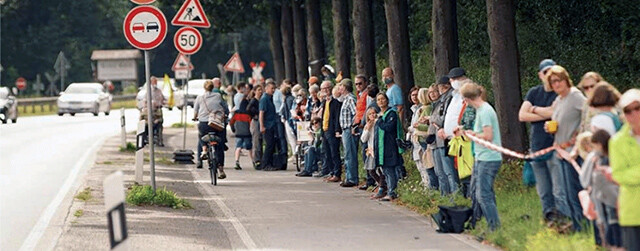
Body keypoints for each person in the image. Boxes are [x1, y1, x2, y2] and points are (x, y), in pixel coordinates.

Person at [544, 65, 586, 231]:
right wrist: (549, 127)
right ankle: (577, 226)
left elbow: (587, 115)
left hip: (574, 153)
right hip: (560, 152)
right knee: (568, 193)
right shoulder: (559, 100)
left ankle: (583, 227)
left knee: (576, 192)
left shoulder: (575, 96)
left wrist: (578, 136)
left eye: (558, 80)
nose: (556, 84)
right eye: (553, 82)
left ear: (566, 79)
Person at [518, 59, 560, 223]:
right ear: (540, 75)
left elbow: (556, 112)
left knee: (558, 187)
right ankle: (548, 218)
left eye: (551, 71)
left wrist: (534, 110)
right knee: (543, 189)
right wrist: (546, 113)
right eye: (545, 72)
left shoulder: (559, 93)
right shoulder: (534, 92)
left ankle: (561, 217)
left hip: (556, 146)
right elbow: (522, 115)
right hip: (537, 147)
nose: (548, 75)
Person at [457, 81, 502, 231]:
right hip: (481, 156)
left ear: (467, 98)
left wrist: (474, 134)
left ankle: (494, 227)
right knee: (479, 192)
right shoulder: (481, 111)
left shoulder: (485, 111)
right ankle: (489, 223)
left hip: (489, 158)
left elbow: (488, 135)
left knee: (483, 195)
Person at [610, 89, 640, 251]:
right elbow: (618, 174)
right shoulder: (617, 141)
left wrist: (633, 173)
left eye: (638, 107)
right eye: (628, 111)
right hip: (633, 212)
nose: (634, 114)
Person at [193, 80, 229, 179]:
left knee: (201, 135)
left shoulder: (200, 98)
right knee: (220, 145)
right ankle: (221, 170)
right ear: (213, 87)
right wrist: (225, 115)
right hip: (216, 123)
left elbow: (195, 111)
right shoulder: (218, 96)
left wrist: (195, 117)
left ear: (204, 88)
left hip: (204, 123)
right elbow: (225, 108)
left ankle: (204, 150)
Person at [374, 93, 403, 201]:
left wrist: (380, 121)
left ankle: (392, 192)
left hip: (389, 146)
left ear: (387, 100)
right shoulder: (379, 114)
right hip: (381, 147)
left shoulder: (392, 113)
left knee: (390, 169)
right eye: (378, 99)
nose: (381, 101)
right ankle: (389, 189)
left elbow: (389, 127)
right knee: (385, 170)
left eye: (382, 99)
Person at [431, 76, 457, 195]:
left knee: (449, 171)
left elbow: (443, 118)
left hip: (444, 139)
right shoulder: (442, 100)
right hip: (438, 140)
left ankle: (454, 196)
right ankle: (445, 195)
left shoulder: (449, 98)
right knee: (441, 171)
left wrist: (433, 120)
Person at [361, 106, 387, 199]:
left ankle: (382, 187)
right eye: (370, 114)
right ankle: (381, 184)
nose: (372, 115)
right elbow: (363, 139)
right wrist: (367, 129)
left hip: (378, 149)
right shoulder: (367, 125)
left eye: (374, 113)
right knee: (371, 170)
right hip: (371, 150)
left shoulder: (379, 123)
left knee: (380, 169)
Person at [408, 87, 431, 186]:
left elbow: (423, 125)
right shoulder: (414, 109)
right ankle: (424, 182)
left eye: (417, 95)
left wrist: (415, 127)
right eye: (413, 95)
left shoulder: (424, 108)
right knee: (419, 163)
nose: (415, 97)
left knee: (425, 163)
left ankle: (428, 184)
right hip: (416, 139)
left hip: (422, 138)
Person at [319, 81, 342, 181]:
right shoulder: (325, 102)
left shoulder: (336, 102)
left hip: (332, 130)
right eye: (323, 89)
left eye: (326, 88)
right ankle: (331, 171)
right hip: (325, 129)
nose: (324, 91)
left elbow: (337, 117)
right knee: (327, 152)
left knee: (334, 152)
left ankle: (337, 173)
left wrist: (337, 130)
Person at [338, 78, 358, 187]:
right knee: (346, 154)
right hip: (344, 130)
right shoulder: (345, 99)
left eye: (341, 86)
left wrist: (353, 126)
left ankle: (352, 178)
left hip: (349, 130)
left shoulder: (350, 99)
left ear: (345, 87)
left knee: (350, 154)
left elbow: (355, 114)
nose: (339, 88)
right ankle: (348, 176)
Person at [230, 84, 253, 171]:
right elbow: (250, 124)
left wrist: (233, 129)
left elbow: (231, 122)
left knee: (238, 147)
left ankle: (237, 161)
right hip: (247, 133)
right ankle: (253, 161)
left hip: (238, 133)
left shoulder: (236, 115)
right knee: (249, 148)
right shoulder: (247, 115)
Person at [139, 76, 166, 146]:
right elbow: (145, 101)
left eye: (156, 82)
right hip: (148, 112)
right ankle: (144, 138)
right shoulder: (148, 92)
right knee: (143, 123)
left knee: (159, 124)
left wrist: (161, 103)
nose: (155, 83)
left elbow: (163, 100)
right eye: (154, 82)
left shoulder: (159, 91)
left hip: (156, 111)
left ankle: (159, 140)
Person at [259, 81, 279, 171]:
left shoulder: (270, 98)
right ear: (266, 88)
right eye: (272, 88)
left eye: (274, 88)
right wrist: (262, 126)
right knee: (269, 145)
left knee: (271, 145)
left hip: (271, 124)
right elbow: (261, 113)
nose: (273, 90)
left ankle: (270, 163)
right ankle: (265, 164)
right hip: (267, 125)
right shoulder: (264, 99)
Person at [246, 84, 263, 169]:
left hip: (260, 121)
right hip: (256, 122)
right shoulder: (254, 100)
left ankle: (260, 159)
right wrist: (256, 114)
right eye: (259, 90)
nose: (260, 91)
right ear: (255, 91)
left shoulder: (261, 100)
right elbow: (248, 109)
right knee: (256, 142)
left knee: (260, 141)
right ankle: (256, 160)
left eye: (261, 90)